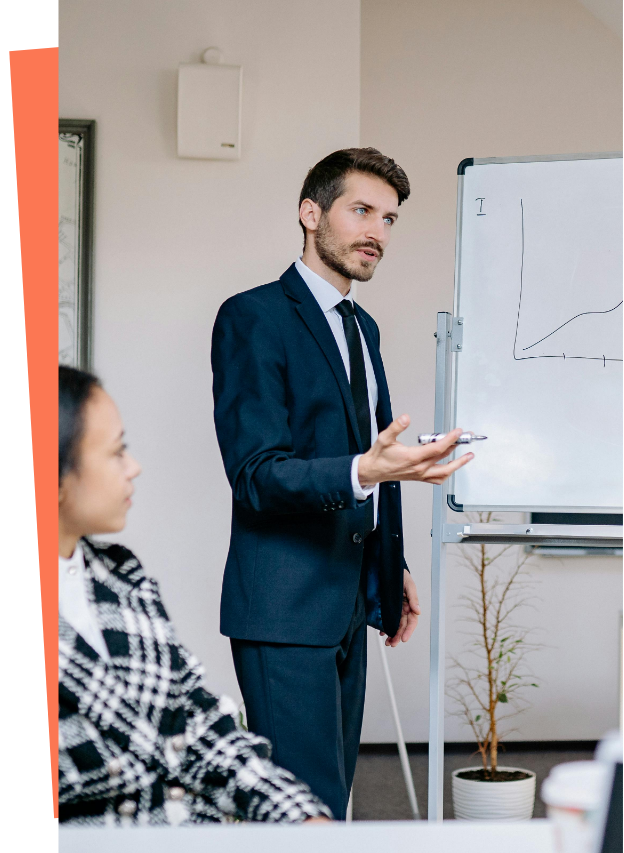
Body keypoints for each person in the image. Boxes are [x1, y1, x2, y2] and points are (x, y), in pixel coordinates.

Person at [211, 147, 473, 819]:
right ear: (310, 213)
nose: (377, 233)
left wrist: (394, 562)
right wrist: (367, 470)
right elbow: (258, 476)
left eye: (389, 219)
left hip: (351, 603)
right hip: (284, 608)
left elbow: (375, 457)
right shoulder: (253, 316)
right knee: (303, 811)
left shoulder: (364, 327)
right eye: (361, 211)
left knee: (333, 802)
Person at [58, 365, 332, 826]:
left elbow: (200, 722)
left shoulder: (122, 577)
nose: (134, 467)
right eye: (117, 452)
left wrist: (302, 818)